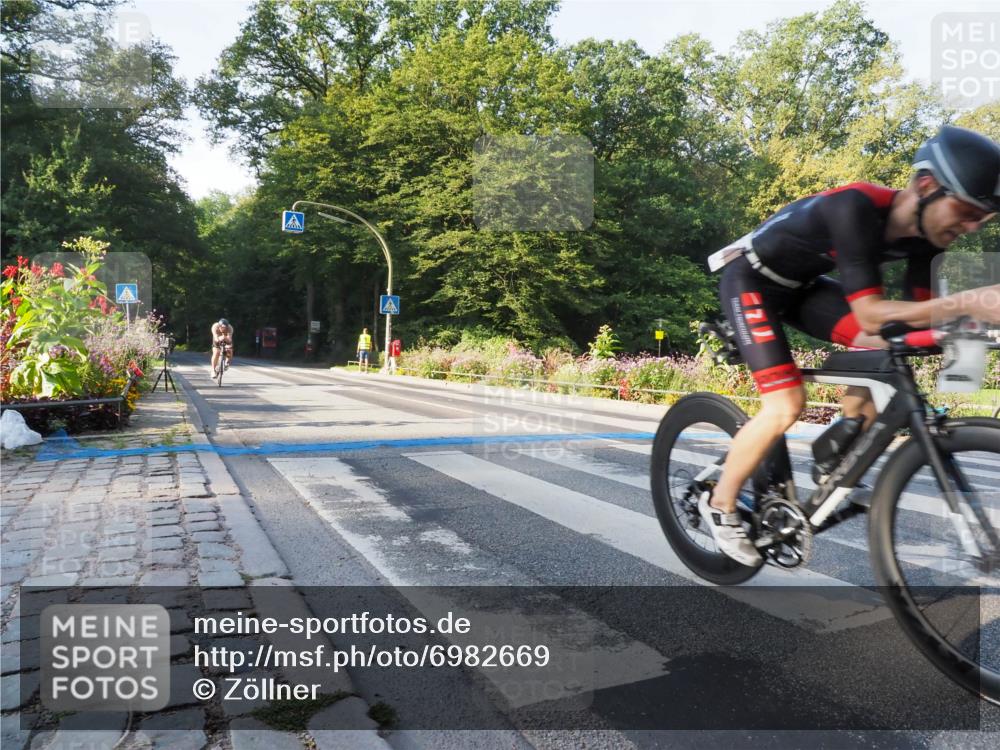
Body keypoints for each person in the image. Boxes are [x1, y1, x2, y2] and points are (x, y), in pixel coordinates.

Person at [703, 124, 1000, 567]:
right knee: (785, 405)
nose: (972, 227)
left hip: (804, 287)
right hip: (750, 280)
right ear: (925, 186)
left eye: (984, 219)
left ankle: (835, 453)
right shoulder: (854, 205)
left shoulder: (926, 238)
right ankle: (721, 506)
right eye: (967, 210)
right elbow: (871, 314)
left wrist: (972, 328)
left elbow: (913, 325)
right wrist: (966, 302)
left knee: (890, 352)